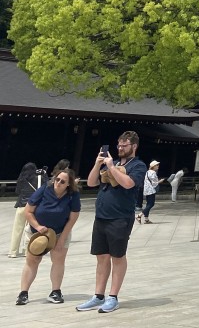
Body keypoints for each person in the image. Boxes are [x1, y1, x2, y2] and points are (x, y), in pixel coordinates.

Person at [76, 131, 147, 314]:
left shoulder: (138, 165)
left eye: (124, 145)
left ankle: (113, 297)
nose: (120, 148)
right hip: (101, 216)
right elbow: (92, 182)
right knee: (101, 257)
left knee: (118, 256)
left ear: (134, 146)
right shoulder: (111, 162)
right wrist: (98, 163)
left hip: (120, 217)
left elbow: (129, 184)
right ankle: (98, 295)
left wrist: (111, 167)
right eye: (119, 145)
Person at [15, 167, 80, 305]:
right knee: (32, 260)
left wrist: (62, 238)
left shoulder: (72, 194)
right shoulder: (44, 189)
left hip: (59, 231)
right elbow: (28, 211)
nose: (58, 183)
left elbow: (73, 217)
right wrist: (38, 227)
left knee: (58, 260)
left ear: (69, 184)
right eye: (57, 179)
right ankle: (23, 293)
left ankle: (56, 292)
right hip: (37, 232)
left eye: (63, 181)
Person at [9, 163, 40, 259]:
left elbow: (17, 191)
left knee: (17, 230)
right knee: (29, 230)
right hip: (32, 207)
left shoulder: (21, 179)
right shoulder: (37, 178)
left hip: (21, 206)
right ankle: (27, 251)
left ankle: (13, 252)